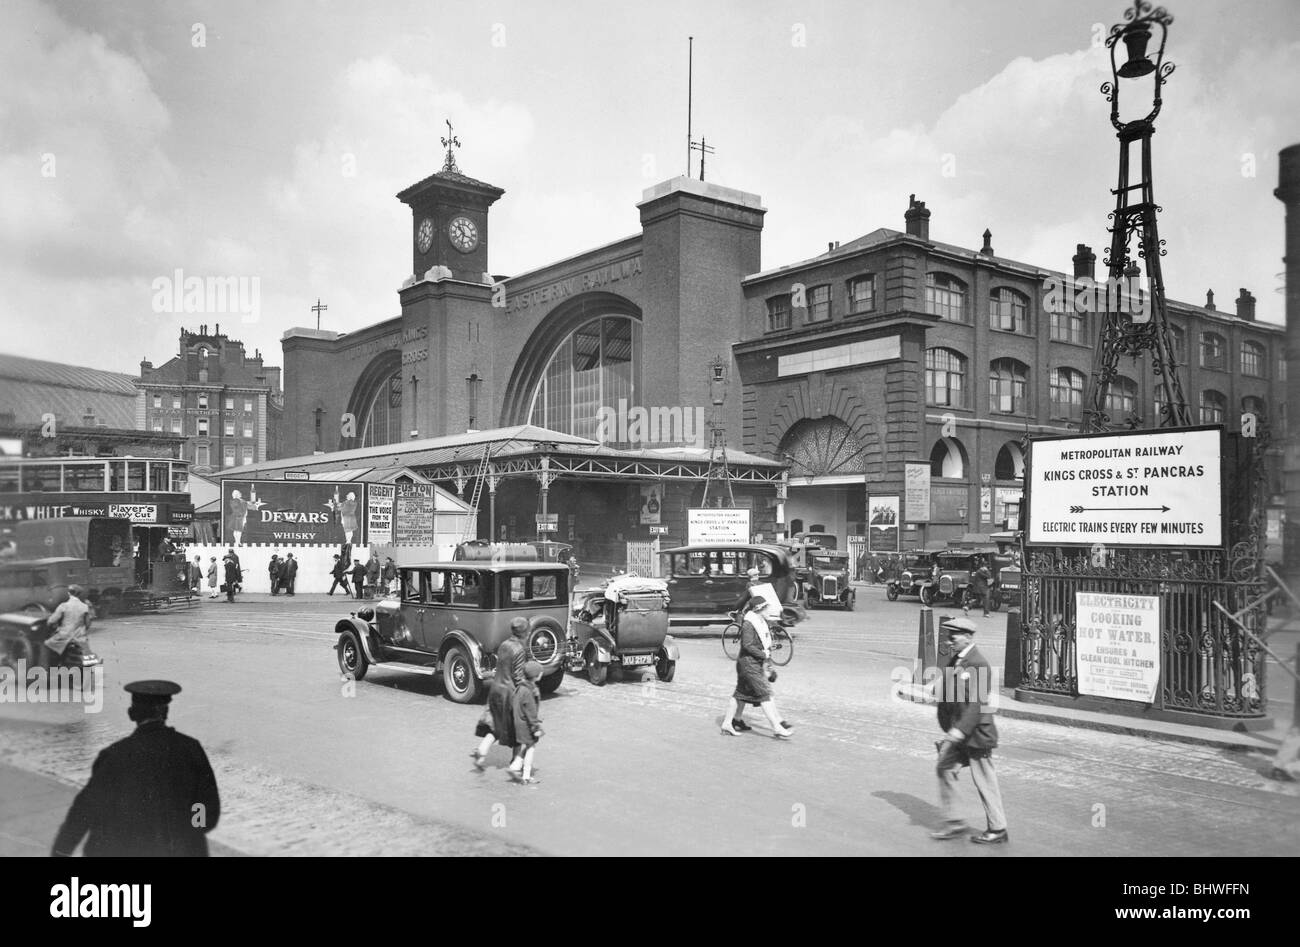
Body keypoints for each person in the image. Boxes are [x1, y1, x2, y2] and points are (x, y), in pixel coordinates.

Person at [51, 680, 220, 857]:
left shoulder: (115, 755)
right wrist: (191, 830)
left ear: (132, 714)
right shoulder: (191, 748)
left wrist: (62, 850)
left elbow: (86, 807)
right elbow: (205, 804)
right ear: (165, 712)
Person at [930, 617, 1008, 844]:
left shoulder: (979, 663)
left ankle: (998, 828)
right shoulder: (957, 659)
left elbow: (977, 704)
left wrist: (959, 732)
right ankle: (955, 822)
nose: (949, 641)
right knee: (944, 767)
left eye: (953, 637)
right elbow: (950, 689)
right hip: (959, 730)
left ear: (968, 637)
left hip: (974, 733)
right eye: (948, 637)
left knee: (984, 779)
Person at [720, 596, 792, 738]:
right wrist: (764, 655)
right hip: (748, 665)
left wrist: (767, 661)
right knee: (764, 694)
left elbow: (764, 642)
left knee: (739, 695)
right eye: (766, 608)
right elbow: (747, 645)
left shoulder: (760, 621)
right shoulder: (749, 624)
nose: (768, 610)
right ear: (759, 609)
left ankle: (728, 723)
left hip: (752, 663)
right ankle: (777, 727)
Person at [472, 617, 529, 773]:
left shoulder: (504, 644)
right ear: (525, 632)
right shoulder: (520, 649)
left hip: (495, 689)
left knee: (496, 725)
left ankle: (482, 751)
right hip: (509, 693)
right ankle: (515, 762)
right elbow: (517, 676)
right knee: (519, 727)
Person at [510, 660, 544, 785]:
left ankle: (515, 766)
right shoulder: (529, 692)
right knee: (531, 748)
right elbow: (530, 711)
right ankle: (526, 776)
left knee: (527, 746)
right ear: (536, 676)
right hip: (526, 724)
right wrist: (536, 728)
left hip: (519, 722)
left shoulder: (520, 688)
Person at [44, 585, 92, 663]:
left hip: (64, 635)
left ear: (69, 593)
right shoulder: (84, 607)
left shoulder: (64, 606)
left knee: (47, 645)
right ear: (79, 594)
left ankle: (51, 667)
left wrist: (50, 624)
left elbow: (52, 620)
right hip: (80, 636)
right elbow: (88, 623)